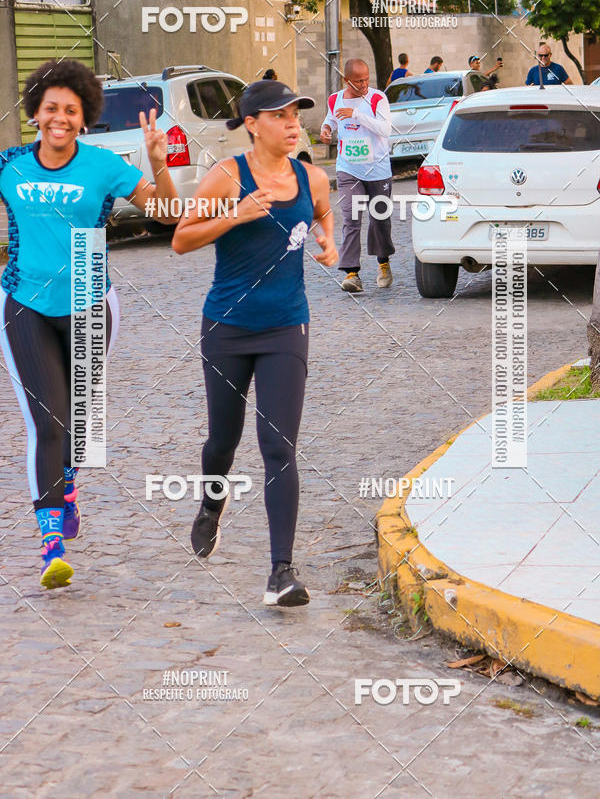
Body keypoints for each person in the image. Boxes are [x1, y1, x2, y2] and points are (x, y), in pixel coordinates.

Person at [0, 59, 179, 589]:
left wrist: (158, 164)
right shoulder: (10, 164)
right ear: (35, 112)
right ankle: (51, 541)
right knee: (46, 422)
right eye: (50, 108)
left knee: (79, 419)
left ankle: (70, 479)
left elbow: (168, 215)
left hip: (88, 297)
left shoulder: (103, 166)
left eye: (70, 110)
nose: (59, 118)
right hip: (24, 302)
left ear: (84, 118)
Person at [172, 79, 337, 607]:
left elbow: (322, 215)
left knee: (278, 446)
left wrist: (328, 239)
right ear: (251, 123)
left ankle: (281, 572)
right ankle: (209, 506)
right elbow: (180, 239)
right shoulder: (227, 176)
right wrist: (236, 215)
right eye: (279, 115)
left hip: (287, 325)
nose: (292, 123)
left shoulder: (312, 177)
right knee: (223, 438)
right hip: (227, 326)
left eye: (296, 114)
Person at [320, 57, 395, 293]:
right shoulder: (335, 99)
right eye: (358, 81)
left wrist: (356, 115)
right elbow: (331, 118)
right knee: (351, 218)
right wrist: (326, 129)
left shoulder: (377, 98)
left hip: (378, 170)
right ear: (346, 80)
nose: (364, 85)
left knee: (380, 220)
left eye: (366, 79)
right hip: (348, 168)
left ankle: (383, 262)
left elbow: (385, 129)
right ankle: (352, 273)